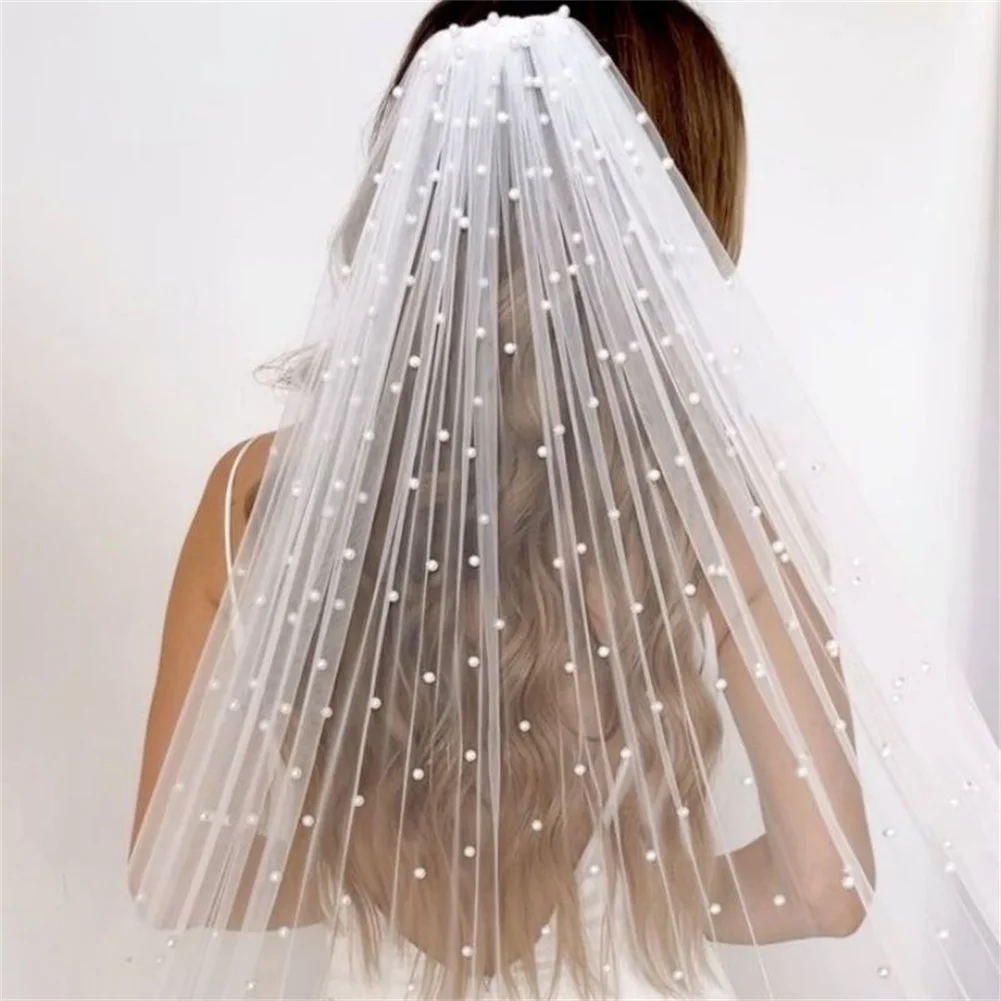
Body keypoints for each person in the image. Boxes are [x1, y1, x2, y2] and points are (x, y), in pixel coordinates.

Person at [127, 5, 999, 1001]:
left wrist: (370, 879)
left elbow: (168, 870)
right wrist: (638, 896)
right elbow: (824, 886)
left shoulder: (259, 496)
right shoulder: (711, 509)